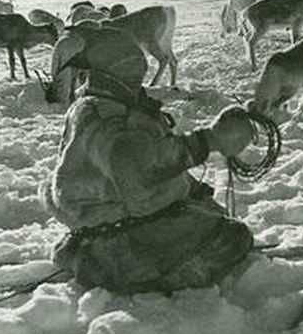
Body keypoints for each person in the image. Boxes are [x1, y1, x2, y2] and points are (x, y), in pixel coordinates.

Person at [42, 25, 256, 294]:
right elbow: (135, 168)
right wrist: (206, 141)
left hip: (116, 221)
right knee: (234, 238)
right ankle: (147, 278)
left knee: (216, 219)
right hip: (116, 239)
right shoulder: (101, 115)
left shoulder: (112, 102)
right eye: (131, 66)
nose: (137, 72)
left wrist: (193, 191)